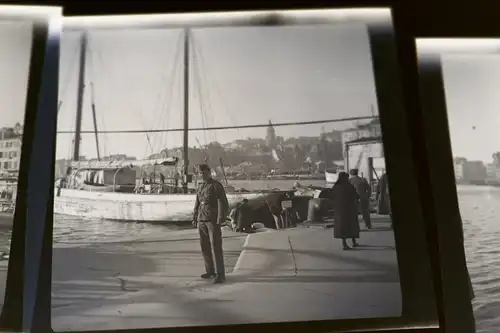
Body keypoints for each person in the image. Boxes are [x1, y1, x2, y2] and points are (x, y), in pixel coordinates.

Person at [192, 164, 229, 284]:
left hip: (213, 220)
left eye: (204, 172)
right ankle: (210, 271)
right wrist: (194, 217)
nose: (202, 175)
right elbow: (197, 203)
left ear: (209, 172)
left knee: (216, 247)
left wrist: (221, 218)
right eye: (200, 173)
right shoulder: (201, 187)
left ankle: (220, 274)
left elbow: (223, 202)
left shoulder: (215, 186)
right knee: (205, 247)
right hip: (202, 220)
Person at [332, 172, 360, 250]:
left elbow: (331, 196)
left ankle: (344, 244)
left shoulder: (335, 187)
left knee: (342, 227)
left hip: (339, 210)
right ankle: (354, 242)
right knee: (352, 226)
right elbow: (356, 196)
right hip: (350, 209)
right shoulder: (349, 186)